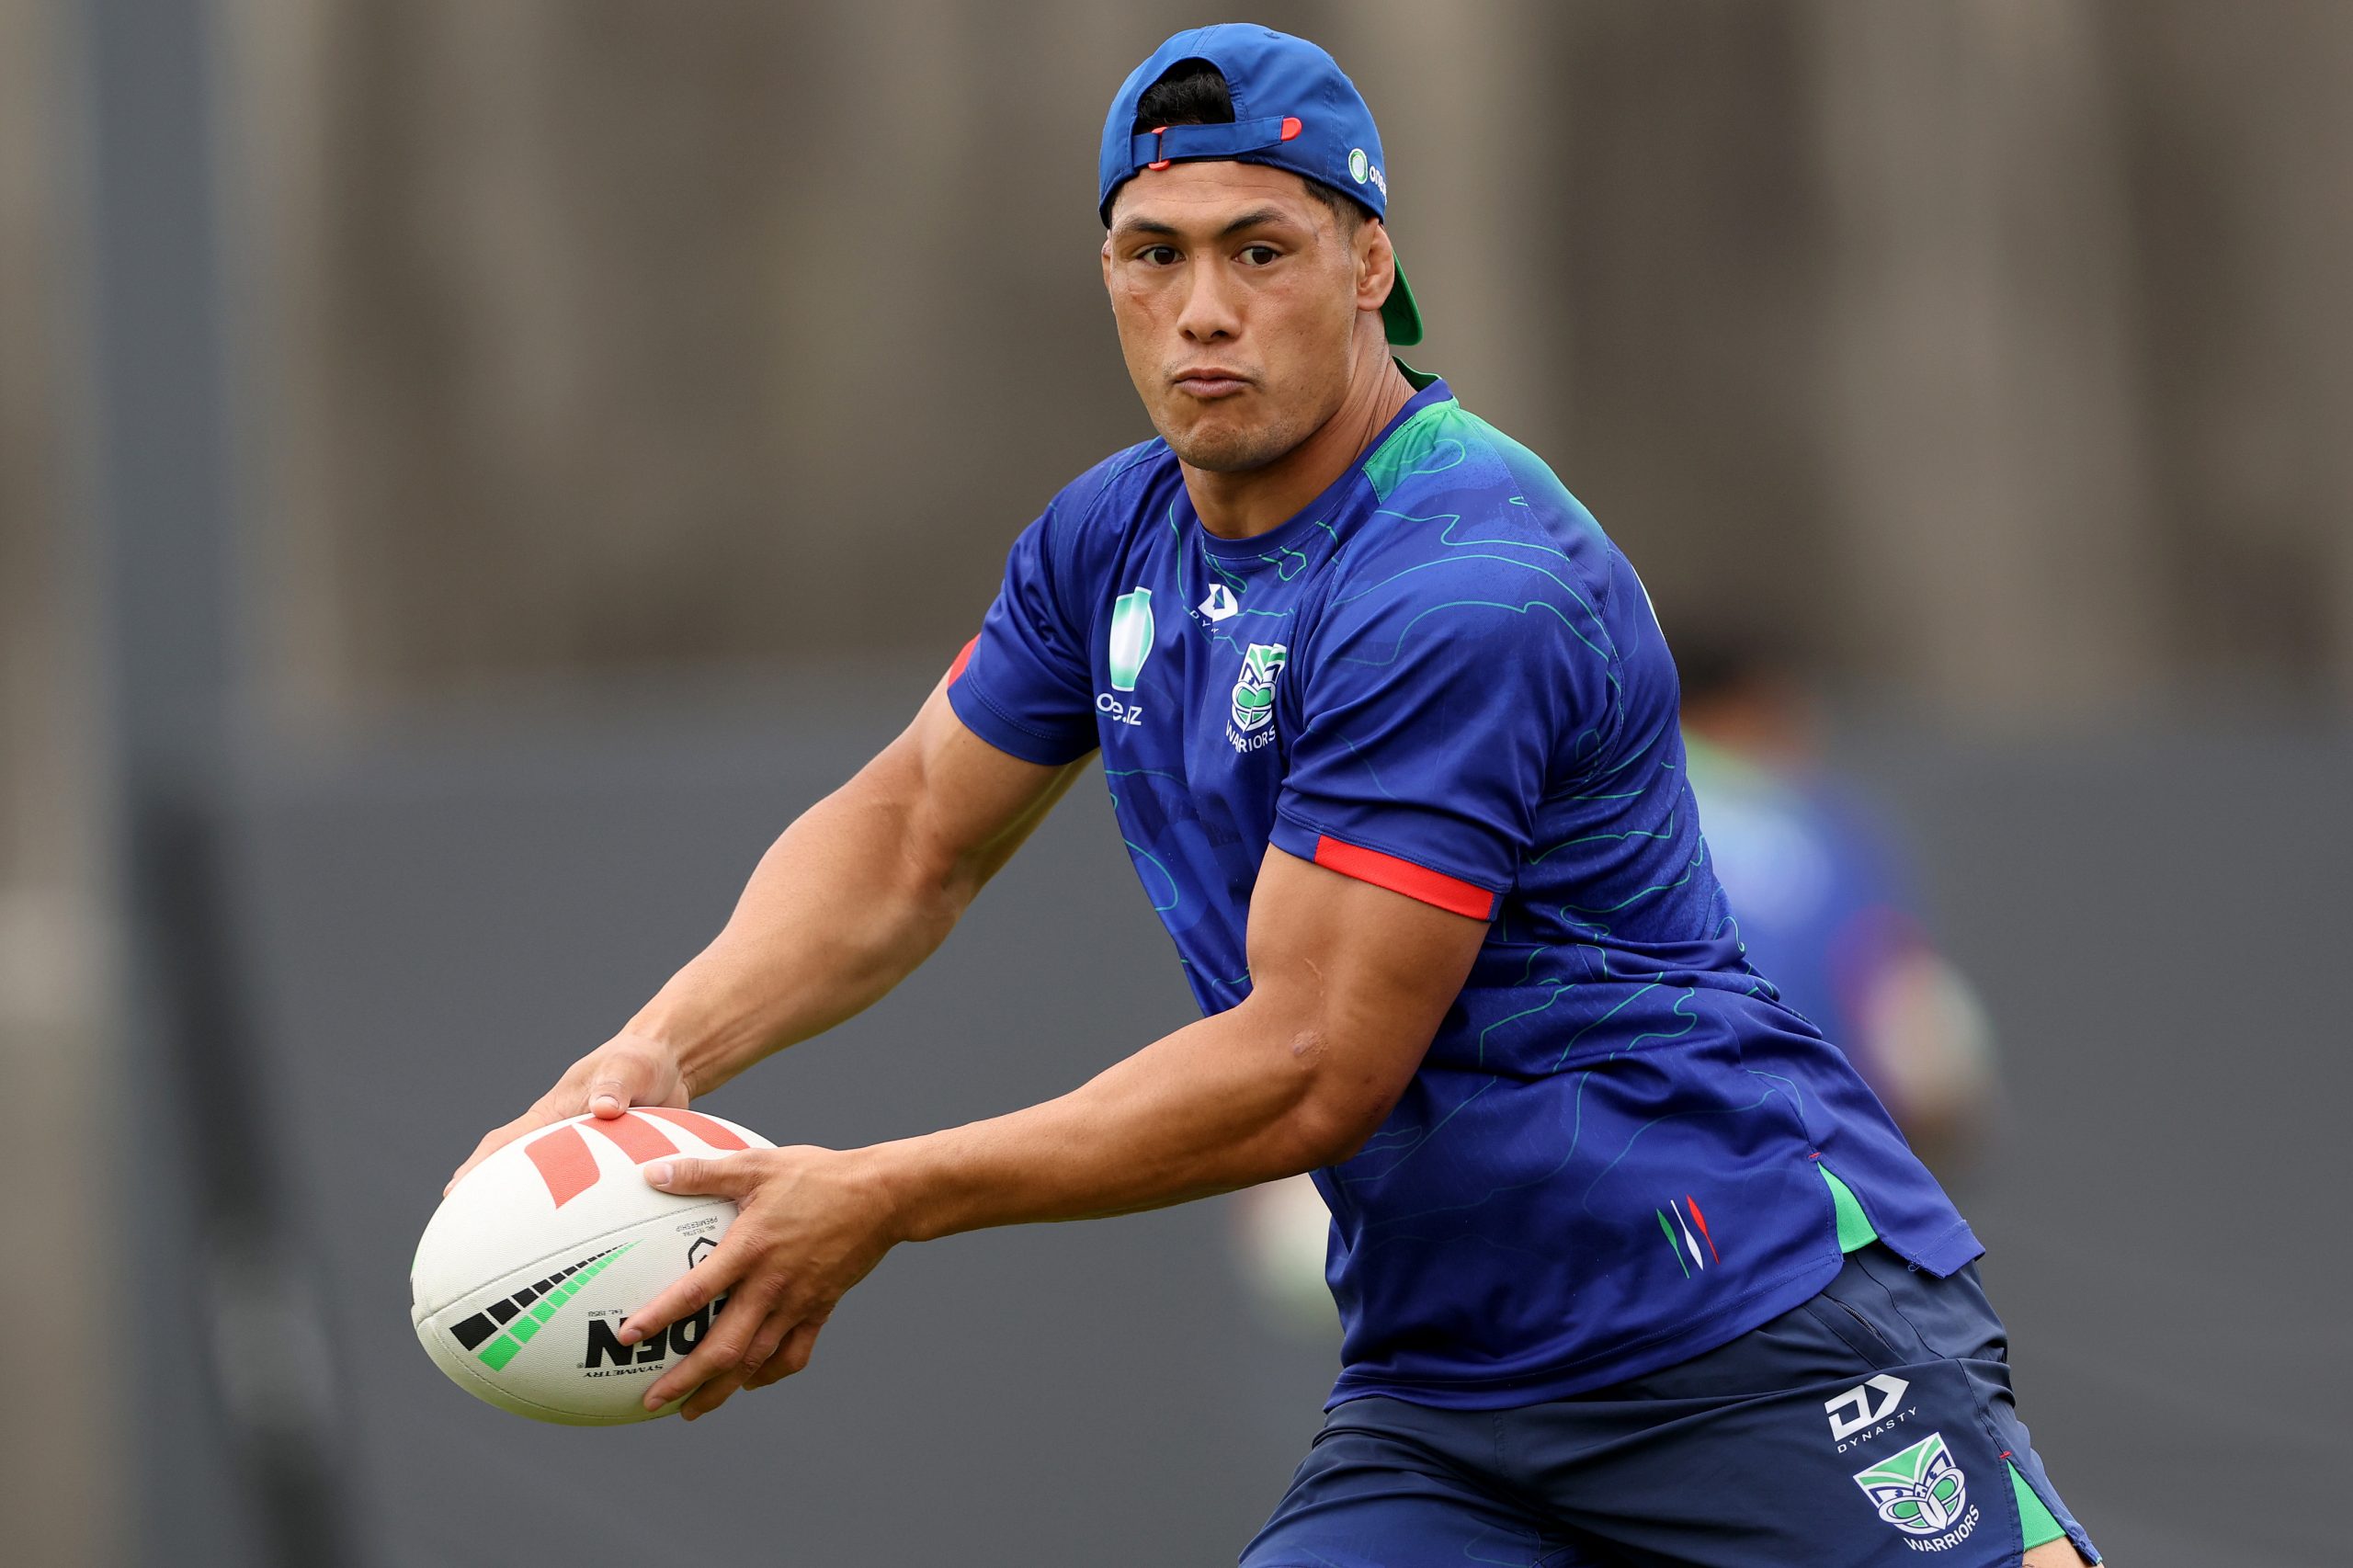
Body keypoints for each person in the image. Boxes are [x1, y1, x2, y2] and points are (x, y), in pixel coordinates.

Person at [449, 27, 2100, 1567]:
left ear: (1371, 266)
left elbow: (1312, 1067)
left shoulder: (1465, 581)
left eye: (1262, 248)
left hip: (1748, 1335)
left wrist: (879, 1194)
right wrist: (664, 1049)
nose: (1203, 310)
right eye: (1152, 255)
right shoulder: (1109, 539)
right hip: (1447, 1392)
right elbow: (904, 835)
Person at [1677, 634, 2000, 1176]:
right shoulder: (1818, 825)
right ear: (1745, 704)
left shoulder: (1585, 812)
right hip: (1796, 1171)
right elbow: (1926, 1060)